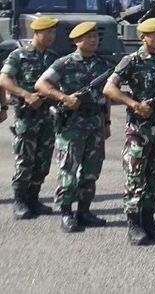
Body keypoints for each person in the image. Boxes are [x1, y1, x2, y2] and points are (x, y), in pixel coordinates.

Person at [103, 16, 155, 246]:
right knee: (135, 174)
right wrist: (134, 104)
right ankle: (133, 224)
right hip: (139, 129)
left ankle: (148, 219)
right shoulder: (131, 61)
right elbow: (109, 88)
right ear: (143, 37)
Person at [34, 21, 112, 232]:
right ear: (77, 41)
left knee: (91, 170)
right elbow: (41, 84)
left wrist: (107, 122)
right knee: (68, 169)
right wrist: (64, 97)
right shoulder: (64, 63)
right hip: (72, 125)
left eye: (95, 37)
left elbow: (106, 97)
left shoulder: (103, 65)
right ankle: (66, 213)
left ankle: (84, 211)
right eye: (89, 37)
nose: (93, 40)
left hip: (95, 123)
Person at [0, 15, 60, 219]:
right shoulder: (19, 55)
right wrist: (25, 94)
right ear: (36, 33)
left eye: (53, 32)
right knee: (25, 159)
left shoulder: (53, 57)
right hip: (27, 117)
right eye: (48, 32)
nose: (51, 36)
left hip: (48, 116)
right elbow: (4, 79)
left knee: (43, 160)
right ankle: (19, 201)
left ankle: (33, 198)